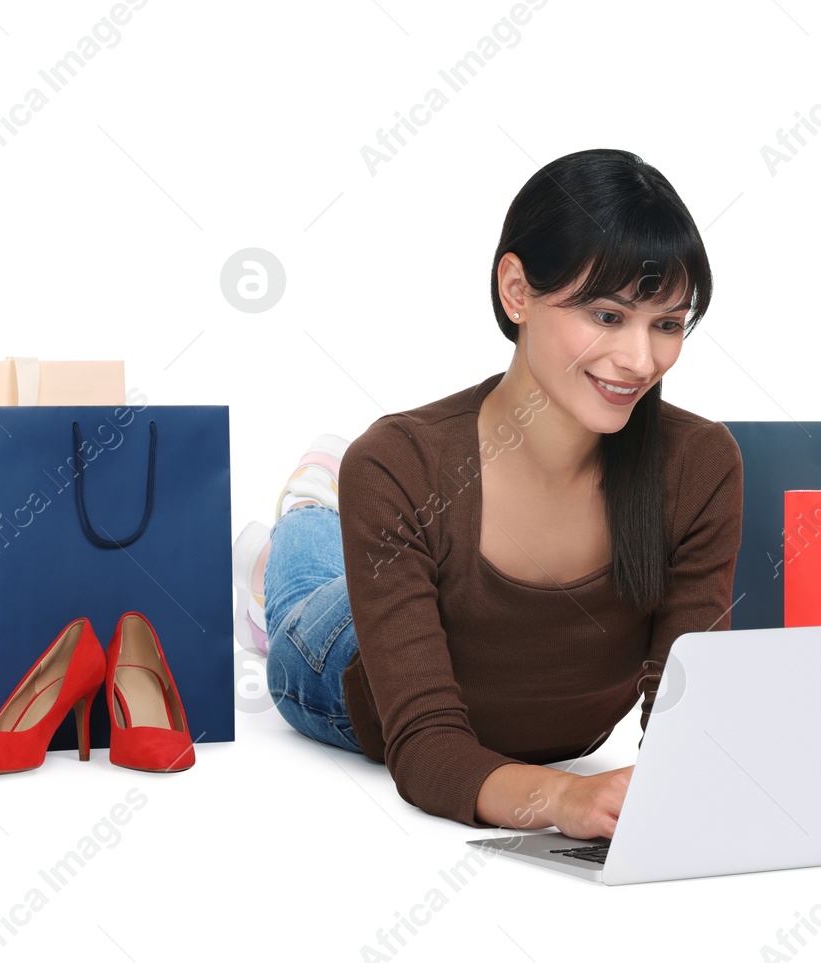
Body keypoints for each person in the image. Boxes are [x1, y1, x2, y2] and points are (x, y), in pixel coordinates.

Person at [231, 147, 743, 839]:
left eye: (667, 323)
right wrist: (563, 799)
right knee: (298, 595)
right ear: (517, 290)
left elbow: (687, 711)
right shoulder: (397, 465)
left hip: (448, 624)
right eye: (606, 314)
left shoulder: (701, 464)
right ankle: (303, 516)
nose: (640, 360)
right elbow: (426, 747)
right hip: (341, 663)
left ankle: (318, 510)